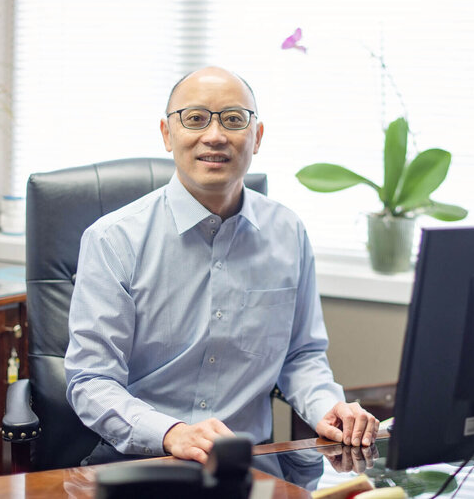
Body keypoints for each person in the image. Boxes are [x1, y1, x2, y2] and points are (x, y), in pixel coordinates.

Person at [64, 66, 379, 465]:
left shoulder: (287, 232)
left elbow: (301, 356)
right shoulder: (113, 239)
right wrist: (171, 433)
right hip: (143, 461)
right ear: (167, 133)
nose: (214, 135)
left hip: (251, 464)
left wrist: (326, 407)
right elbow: (92, 380)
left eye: (233, 119)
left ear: (257, 136)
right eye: (195, 118)